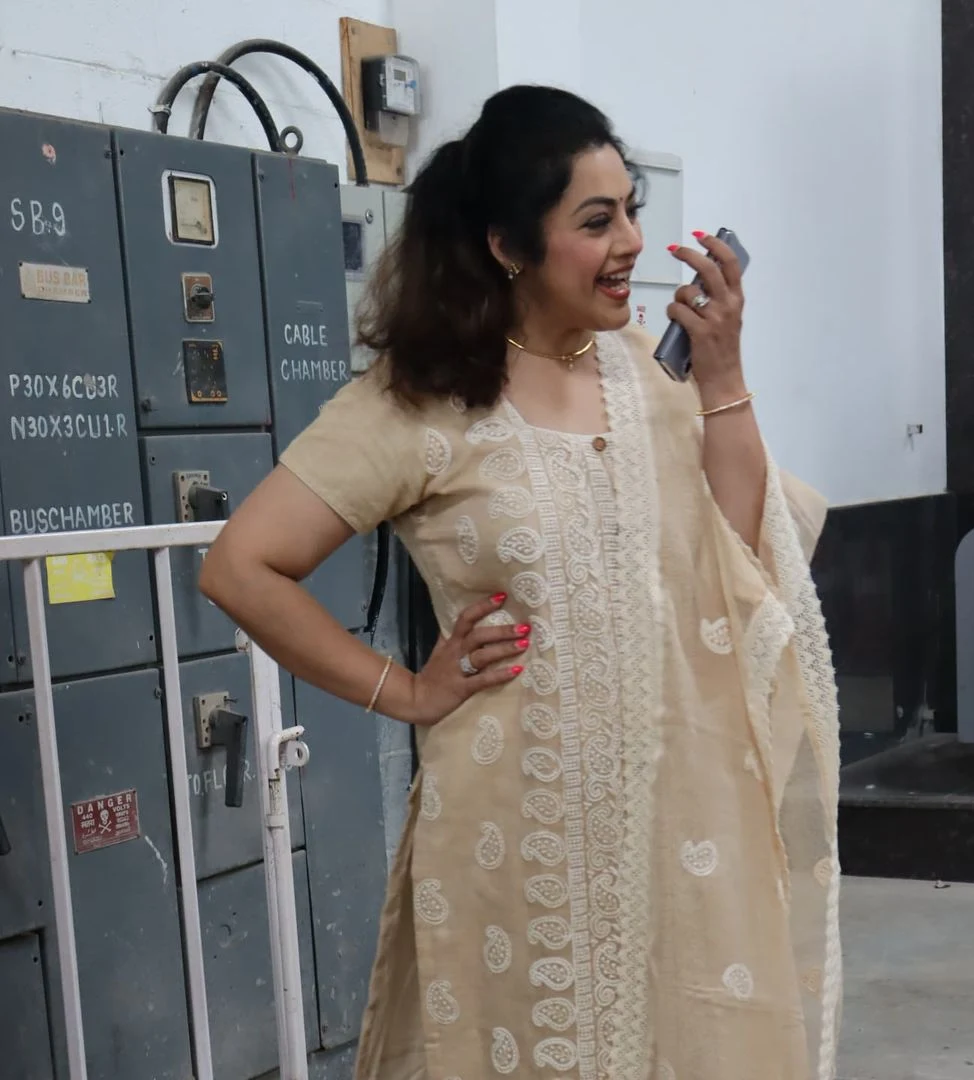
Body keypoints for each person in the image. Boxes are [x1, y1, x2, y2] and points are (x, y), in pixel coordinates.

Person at [201, 84, 842, 1080]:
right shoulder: (420, 403)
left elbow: (747, 546)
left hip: (675, 824)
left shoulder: (651, 372)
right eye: (597, 221)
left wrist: (721, 377)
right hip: (521, 847)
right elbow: (241, 566)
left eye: (632, 210)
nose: (631, 241)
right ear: (508, 244)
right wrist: (404, 691)